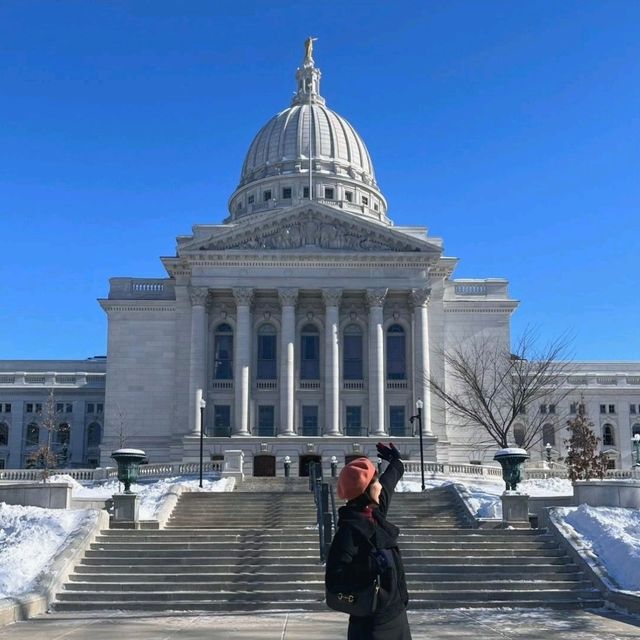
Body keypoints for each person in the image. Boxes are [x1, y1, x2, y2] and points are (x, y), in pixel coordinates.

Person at [325, 442, 412, 640]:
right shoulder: (348, 531)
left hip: (397, 616)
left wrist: (395, 461)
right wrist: (372, 572)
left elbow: (389, 481)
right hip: (370, 624)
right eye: (375, 482)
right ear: (364, 490)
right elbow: (334, 580)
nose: (380, 485)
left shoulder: (376, 513)